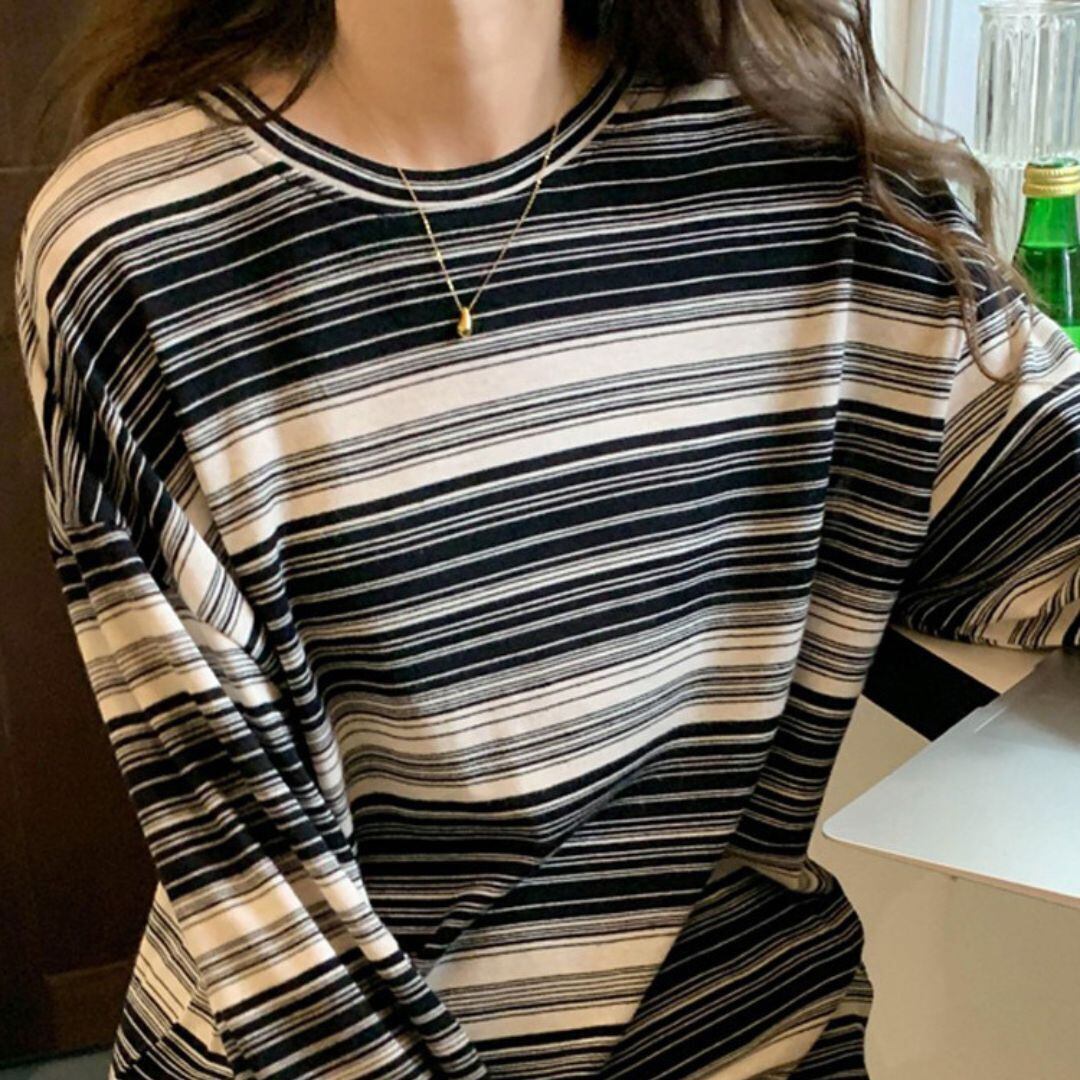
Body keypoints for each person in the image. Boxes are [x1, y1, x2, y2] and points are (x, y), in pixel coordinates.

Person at [14, 1, 1079, 1077]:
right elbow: (259, 893)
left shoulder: (816, 176)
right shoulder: (138, 248)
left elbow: (1036, 505)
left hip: (737, 1034)